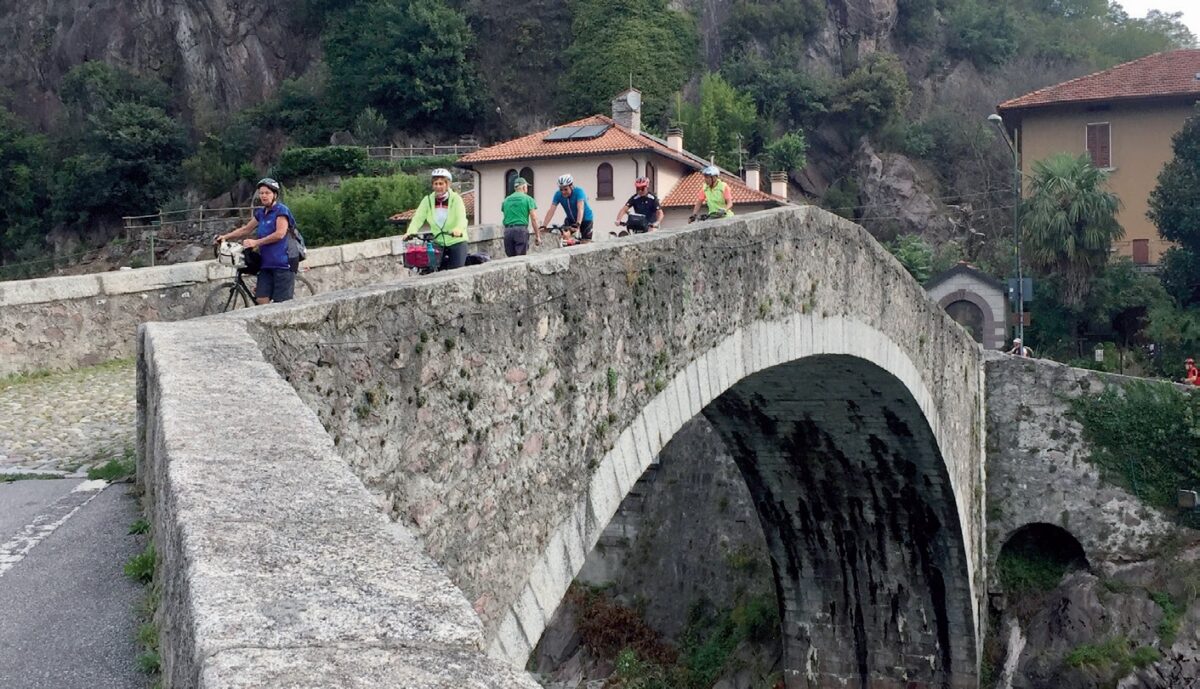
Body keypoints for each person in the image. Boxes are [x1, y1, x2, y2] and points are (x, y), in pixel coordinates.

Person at [214, 178, 296, 305]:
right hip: (266, 264)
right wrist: (225, 237)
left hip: (283, 264)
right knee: (261, 300)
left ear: (275, 194)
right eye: (261, 193)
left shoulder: (281, 210)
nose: (263, 196)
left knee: (282, 305)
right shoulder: (261, 213)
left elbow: (280, 234)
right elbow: (246, 229)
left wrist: (255, 243)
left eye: (267, 193)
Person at [392, 168, 470, 270]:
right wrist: (411, 231)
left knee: (456, 272)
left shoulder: (456, 199)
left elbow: (461, 218)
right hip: (438, 242)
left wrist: (458, 229)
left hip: (456, 241)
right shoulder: (428, 200)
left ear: (447, 185)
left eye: (441, 184)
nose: (438, 187)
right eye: (435, 184)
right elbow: (418, 218)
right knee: (430, 270)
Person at [541, 174, 594, 244]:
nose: (563, 192)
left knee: (585, 242)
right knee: (564, 235)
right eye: (561, 189)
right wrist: (544, 225)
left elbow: (580, 209)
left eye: (565, 189)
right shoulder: (558, 194)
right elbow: (551, 210)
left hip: (586, 218)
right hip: (570, 218)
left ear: (571, 186)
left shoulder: (579, 192)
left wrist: (577, 224)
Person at [500, 176, 539, 256]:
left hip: (508, 231)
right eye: (527, 187)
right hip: (521, 231)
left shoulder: (506, 200)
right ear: (524, 187)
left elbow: (505, 212)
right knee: (520, 259)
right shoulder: (528, 199)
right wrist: (537, 236)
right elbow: (534, 219)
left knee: (511, 259)